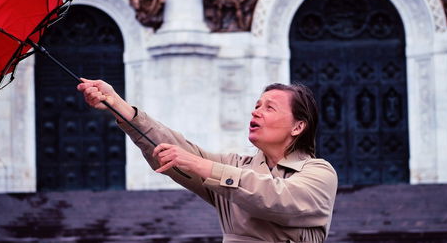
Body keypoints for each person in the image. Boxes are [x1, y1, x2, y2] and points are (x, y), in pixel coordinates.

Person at [77, 79, 338, 242]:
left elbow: (279, 200)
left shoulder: (318, 173)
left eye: (269, 107)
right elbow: (173, 147)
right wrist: (118, 105)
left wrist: (200, 165)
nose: (255, 111)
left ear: (298, 127)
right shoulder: (235, 165)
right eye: (257, 104)